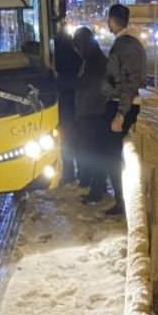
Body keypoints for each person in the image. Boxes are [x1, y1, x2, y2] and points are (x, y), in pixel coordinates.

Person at [100, 4, 147, 216]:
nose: (107, 23)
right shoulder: (125, 42)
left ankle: (122, 202)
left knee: (112, 154)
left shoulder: (127, 45)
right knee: (110, 152)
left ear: (112, 20)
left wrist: (121, 113)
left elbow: (130, 81)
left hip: (122, 105)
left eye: (108, 19)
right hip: (119, 103)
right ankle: (120, 200)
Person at [72, 27, 110, 203]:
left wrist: (67, 81)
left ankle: (97, 191)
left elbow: (87, 85)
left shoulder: (94, 61)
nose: (77, 51)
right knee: (93, 151)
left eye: (78, 46)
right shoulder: (93, 58)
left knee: (94, 153)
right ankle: (96, 188)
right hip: (91, 111)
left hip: (93, 112)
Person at [53, 23, 82, 185]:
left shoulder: (58, 52)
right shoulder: (76, 53)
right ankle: (80, 172)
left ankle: (69, 173)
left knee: (67, 140)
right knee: (76, 138)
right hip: (76, 102)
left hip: (65, 102)